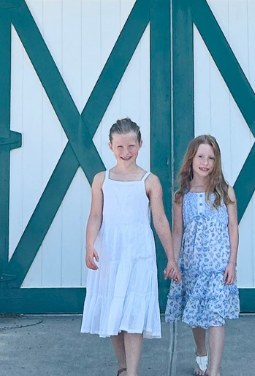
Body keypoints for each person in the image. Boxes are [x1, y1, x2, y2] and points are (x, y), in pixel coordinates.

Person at [83, 117, 177, 376]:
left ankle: (132, 372)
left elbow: (160, 219)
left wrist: (171, 257)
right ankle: (123, 368)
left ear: (140, 145)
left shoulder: (149, 180)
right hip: (110, 252)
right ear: (111, 147)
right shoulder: (101, 179)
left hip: (138, 253)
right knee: (113, 309)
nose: (126, 152)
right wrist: (89, 244)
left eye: (131, 146)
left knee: (133, 310)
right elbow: (95, 216)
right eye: (120, 147)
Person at [165, 135, 240, 376]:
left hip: (218, 266)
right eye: (200, 157)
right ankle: (201, 353)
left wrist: (232, 262)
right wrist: (173, 261)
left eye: (211, 158)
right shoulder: (182, 196)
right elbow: (178, 231)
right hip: (192, 265)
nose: (205, 163)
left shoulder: (225, 192)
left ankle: (213, 371)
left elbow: (233, 227)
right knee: (197, 315)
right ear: (191, 159)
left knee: (216, 315)